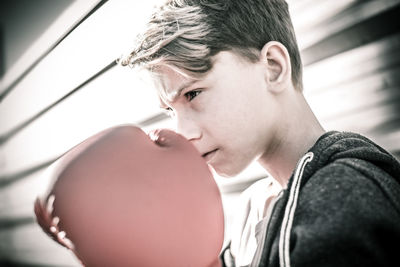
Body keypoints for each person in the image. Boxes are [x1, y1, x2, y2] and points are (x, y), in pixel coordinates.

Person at [120, 0, 400, 266]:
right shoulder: (254, 205)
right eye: (170, 110)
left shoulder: (342, 200)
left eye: (193, 94)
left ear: (273, 68)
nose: (183, 132)